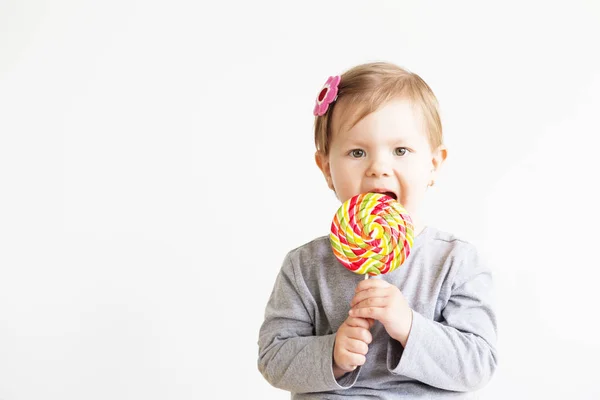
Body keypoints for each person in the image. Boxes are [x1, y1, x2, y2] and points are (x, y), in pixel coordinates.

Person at [257, 61, 498, 399]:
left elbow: (478, 364)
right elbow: (273, 359)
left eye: (401, 150)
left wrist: (408, 326)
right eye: (357, 152)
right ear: (326, 168)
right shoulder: (304, 266)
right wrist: (333, 354)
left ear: (433, 164)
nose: (379, 168)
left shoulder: (456, 261)